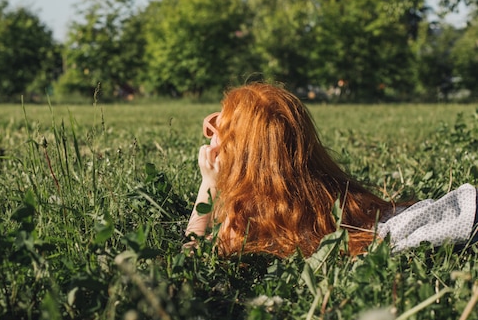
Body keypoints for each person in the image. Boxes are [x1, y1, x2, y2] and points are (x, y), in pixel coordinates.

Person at [185, 83, 477, 258]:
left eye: (216, 127)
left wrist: (208, 185)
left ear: (241, 158)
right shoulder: (330, 195)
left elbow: (192, 253)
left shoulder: (258, 226)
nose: (208, 133)